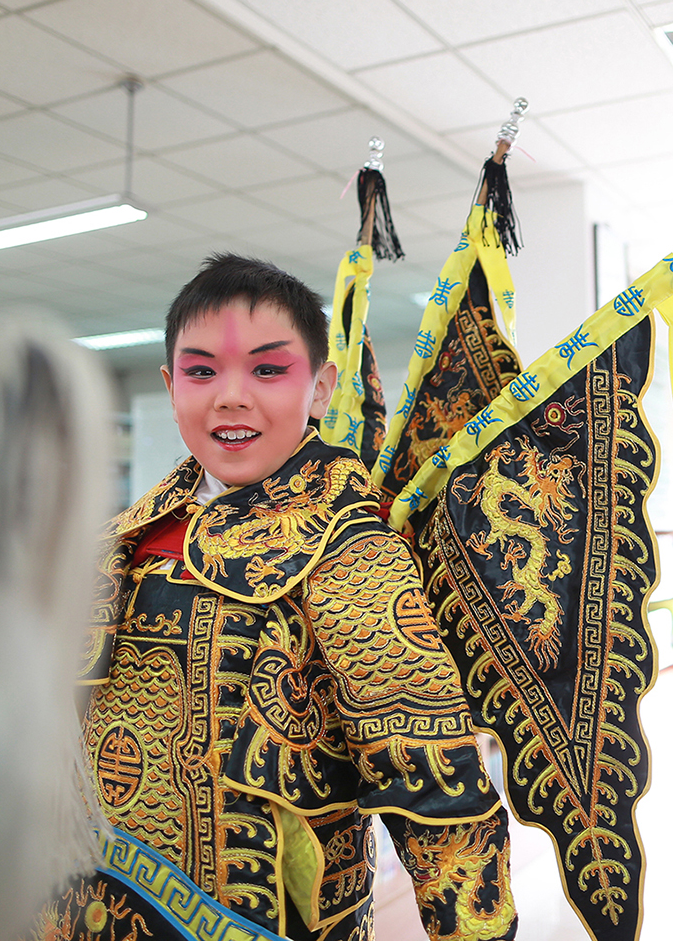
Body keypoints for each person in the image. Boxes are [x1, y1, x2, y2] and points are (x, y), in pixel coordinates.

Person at [53, 254, 517, 940]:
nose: (230, 397)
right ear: (170, 384)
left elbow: (428, 770)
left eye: (268, 370)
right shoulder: (127, 532)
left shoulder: (348, 543)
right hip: (82, 905)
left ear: (321, 388)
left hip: (254, 914)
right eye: (201, 370)